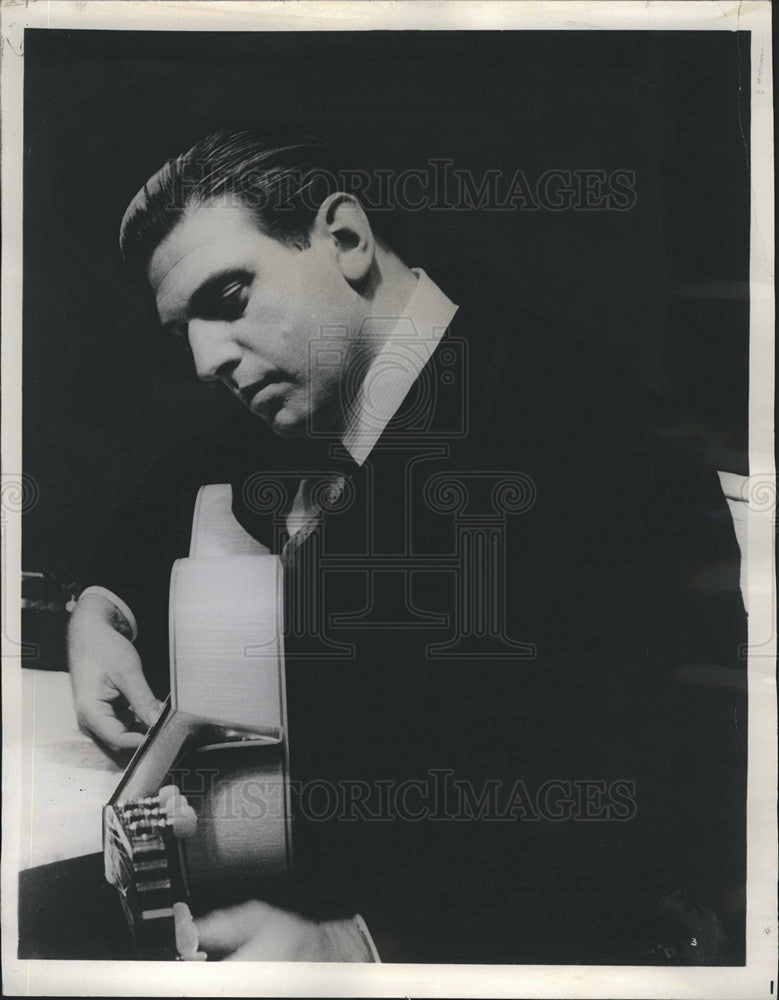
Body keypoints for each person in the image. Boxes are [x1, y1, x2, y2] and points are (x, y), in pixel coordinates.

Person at [67, 128, 747, 964]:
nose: (207, 359)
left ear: (345, 239)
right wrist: (99, 607)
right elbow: (182, 475)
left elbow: (653, 824)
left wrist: (364, 949)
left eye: (230, 297)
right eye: (184, 335)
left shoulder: (604, 454)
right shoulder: (339, 382)